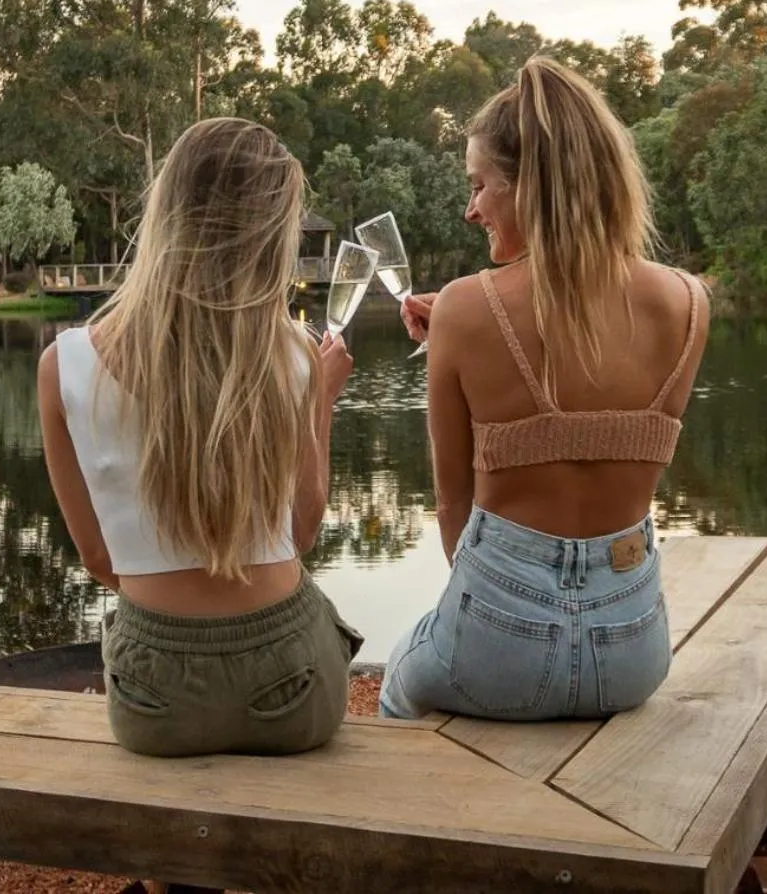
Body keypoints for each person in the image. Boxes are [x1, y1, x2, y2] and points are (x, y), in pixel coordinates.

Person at [379, 56, 708, 721]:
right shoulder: (687, 301)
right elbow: (587, 365)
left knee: (397, 679)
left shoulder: (465, 308)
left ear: (528, 186)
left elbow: (452, 508)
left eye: (479, 186)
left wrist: (457, 327)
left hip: (498, 649)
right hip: (633, 653)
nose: (471, 210)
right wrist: (456, 327)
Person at [38, 117, 363, 757]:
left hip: (152, 699)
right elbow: (299, 532)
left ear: (165, 218)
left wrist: (179, 613)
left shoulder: (64, 365)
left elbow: (99, 560)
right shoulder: (297, 355)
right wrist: (319, 402)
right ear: (271, 237)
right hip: (293, 686)